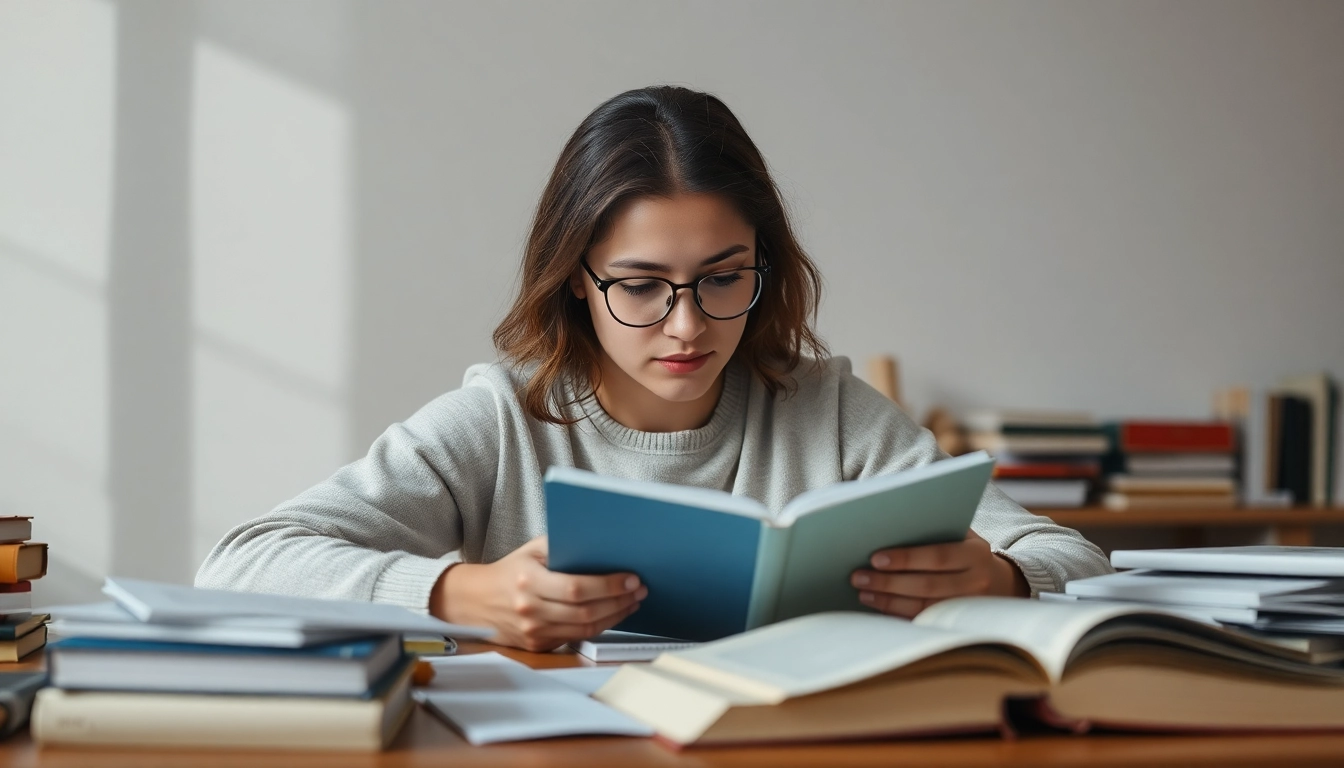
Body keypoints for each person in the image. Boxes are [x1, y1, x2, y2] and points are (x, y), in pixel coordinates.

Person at [196, 86, 1112, 651]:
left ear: (766, 267)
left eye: (723, 278)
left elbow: (1073, 556)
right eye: (640, 285)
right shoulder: (501, 422)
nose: (687, 325)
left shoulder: (827, 409)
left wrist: (998, 578)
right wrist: (458, 590)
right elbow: (238, 566)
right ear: (576, 283)